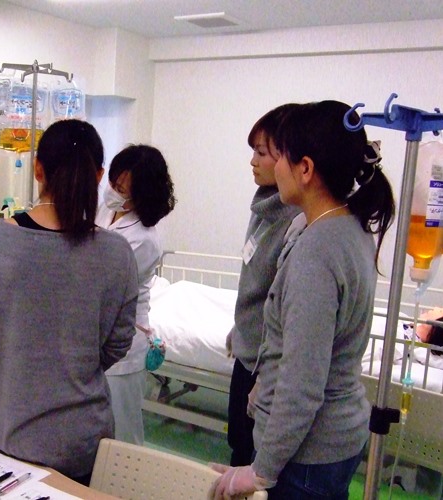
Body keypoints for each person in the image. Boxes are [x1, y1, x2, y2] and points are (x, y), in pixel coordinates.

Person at [212, 100, 396, 499]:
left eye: (280, 156)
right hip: (334, 440)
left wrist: (261, 470)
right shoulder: (348, 229)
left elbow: (302, 384)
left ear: (306, 169)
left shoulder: (317, 252)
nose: (272, 167)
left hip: (308, 454)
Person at [0, 119, 139, 486]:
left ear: (38, 170)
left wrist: (16, 362)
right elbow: (117, 343)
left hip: (4, 432)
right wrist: (71, 367)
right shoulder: (116, 254)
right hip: (79, 444)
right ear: (99, 176)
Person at [226, 103, 303, 467]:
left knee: (250, 455)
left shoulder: (297, 220)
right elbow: (255, 279)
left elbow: (283, 307)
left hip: (265, 362)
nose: (252, 161)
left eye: (261, 153)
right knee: (239, 443)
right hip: (248, 351)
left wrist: (265, 378)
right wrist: (240, 328)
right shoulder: (264, 206)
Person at [95, 144, 176, 444]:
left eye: (121, 190)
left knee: (123, 432)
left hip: (124, 345)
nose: (112, 192)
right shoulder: (108, 210)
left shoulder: (144, 240)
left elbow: (104, 283)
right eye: (113, 183)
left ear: (141, 196)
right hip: (99, 336)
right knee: (98, 425)